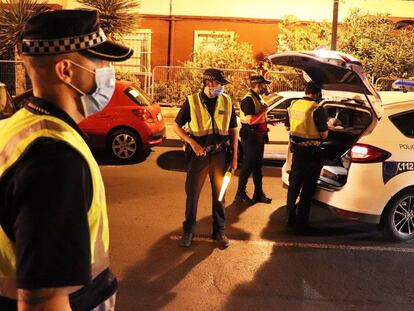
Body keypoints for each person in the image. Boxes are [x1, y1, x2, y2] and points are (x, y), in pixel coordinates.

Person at [0, 10, 133, 311]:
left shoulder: (20, 125)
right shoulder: (55, 159)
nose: (107, 70)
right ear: (66, 71)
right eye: (98, 61)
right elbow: (43, 301)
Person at [173, 68, 239, 248]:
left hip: (220, 155)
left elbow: (234, 129)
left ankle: (219, 231)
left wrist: (234, 158)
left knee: (220, 195)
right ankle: (188, 231)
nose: (220, 88)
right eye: (218, 84)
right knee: (192, 195)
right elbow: (176, 126)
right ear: (208, 83)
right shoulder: (191, 101)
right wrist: (192, 144)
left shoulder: (226, 101)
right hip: (198, 157)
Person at [285, 81, 329, 233]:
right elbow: (324, 134)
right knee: (307, 190)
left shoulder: (293, 105)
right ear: (317, 94)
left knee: (294, 186)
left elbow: (287, 127)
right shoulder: (317, 108)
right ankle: (301, 224)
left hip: (297, 151)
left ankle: (290, 218)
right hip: (311, 154)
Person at [234, 75, 272, 205]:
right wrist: (264, 112)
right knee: (248, 164)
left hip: (258, 135)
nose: (265, 87)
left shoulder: (257, 97)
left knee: (257, 165)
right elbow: (250, 120)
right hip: (250, 136)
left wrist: (267, 120)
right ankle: (240, 193)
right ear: (257, 85)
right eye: (263, 85)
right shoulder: (248, 100)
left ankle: (258, 193)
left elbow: (259, 117)